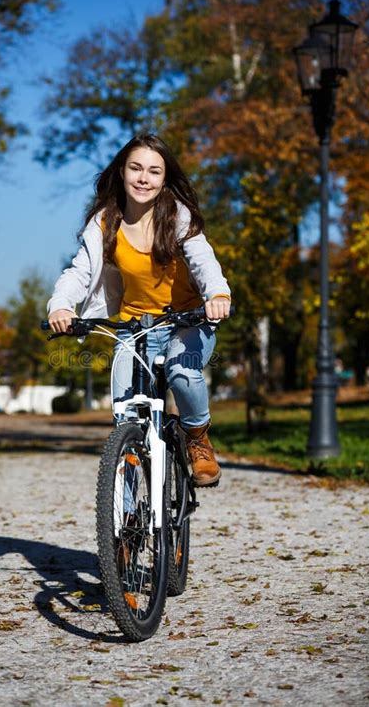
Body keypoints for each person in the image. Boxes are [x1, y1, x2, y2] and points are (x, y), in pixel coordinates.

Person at [47, 133, 231, 487]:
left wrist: (218, 293)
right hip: (135, 328)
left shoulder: (178, 216)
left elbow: (203, 259)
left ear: (164, 180)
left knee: (182, 370)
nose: (143, 178)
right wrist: (61, 305)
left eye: (154, 171)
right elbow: (80, 271)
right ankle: (127, 514)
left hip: (186, 320)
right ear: (121, 172)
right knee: (126, 415)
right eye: (136, 168)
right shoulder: (105, 223)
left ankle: (197, 439)